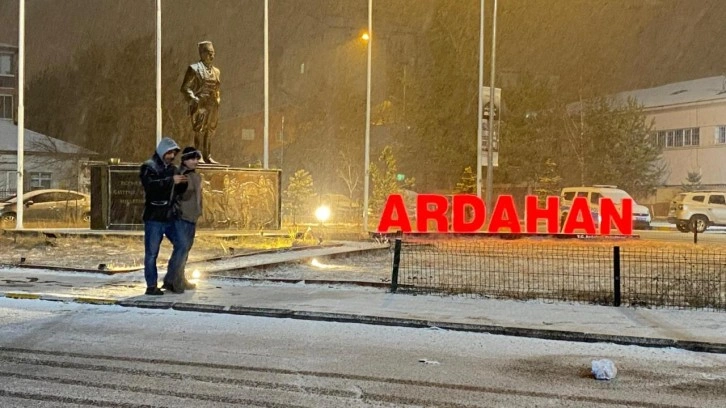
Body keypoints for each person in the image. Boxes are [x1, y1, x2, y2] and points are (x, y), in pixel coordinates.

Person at [139, 137, 188, 295]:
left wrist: (182, 183)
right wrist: (170, 181)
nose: (171, 156)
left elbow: (177, 192)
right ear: (162, 152)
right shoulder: (148, 167)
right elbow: (151, 186)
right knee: (151, 253)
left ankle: (172, 278)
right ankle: (151, 285)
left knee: (183, 244)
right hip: (154, 216)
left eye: (173, 153)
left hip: (170, 215)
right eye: (169, 153)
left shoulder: (173, 169)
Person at [164, 146, 203, 292]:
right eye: (192, 159)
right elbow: (174, 195)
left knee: (185, 249)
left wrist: (199, 211)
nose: (195, 161)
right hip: (180, 217)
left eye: (197, 159)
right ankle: (175, 281)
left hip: (192, 217)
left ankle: (176, 278)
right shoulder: (179, 175)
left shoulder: (196, 176)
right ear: (185, 160)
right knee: (181, 248)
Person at [180, 41, 221, 164]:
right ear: (202, 54)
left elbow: (217, 89)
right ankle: (198, 156)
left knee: (210, 129)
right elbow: (185, 88)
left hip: (212, 105)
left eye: (213, 53)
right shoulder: (194, 69)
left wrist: (218, 99)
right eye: (209, 53)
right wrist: (194, 99)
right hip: (200, 104)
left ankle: (207, 155)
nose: (211, 56)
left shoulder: (216, 71)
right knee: (200, 129)